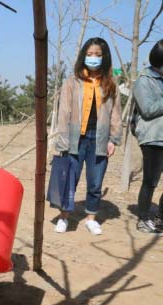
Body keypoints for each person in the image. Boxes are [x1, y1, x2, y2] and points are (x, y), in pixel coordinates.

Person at [53, 37, 122, 235]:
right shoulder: (72, 82)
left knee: (95, 181)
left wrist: (113, 139)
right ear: (84, 56)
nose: (93, 58)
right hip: (76, 137)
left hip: (99, 138)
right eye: (90, 54)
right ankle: (64, 216)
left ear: (104, 57)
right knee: (69, 179)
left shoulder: (110, 83)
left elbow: (116, 113)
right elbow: (64, 111)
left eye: (97, 55)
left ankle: (91, 218)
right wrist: (63, 140)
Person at [132, 39, 163, 234]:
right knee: (150, 181)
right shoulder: (144, 80)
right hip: (153, 138)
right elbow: (148, 109)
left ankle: (160, 218)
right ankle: (143, 218)